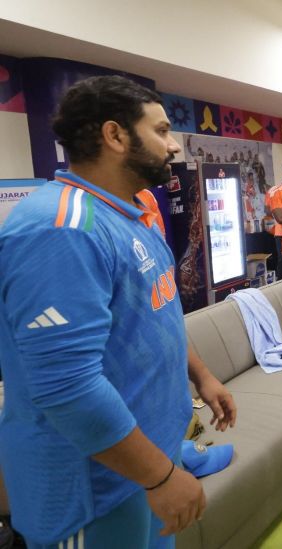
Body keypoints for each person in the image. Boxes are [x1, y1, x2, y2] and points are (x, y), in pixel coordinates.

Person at [0, 75, 237, 549]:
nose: (173, 145)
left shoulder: (128, 212)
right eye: (162, 131)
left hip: (146, 460)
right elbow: (66, 386)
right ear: (115, 135)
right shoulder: (60, 228)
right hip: (93, 485)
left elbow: (159, 311)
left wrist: (203, 375)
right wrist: (160, 477)